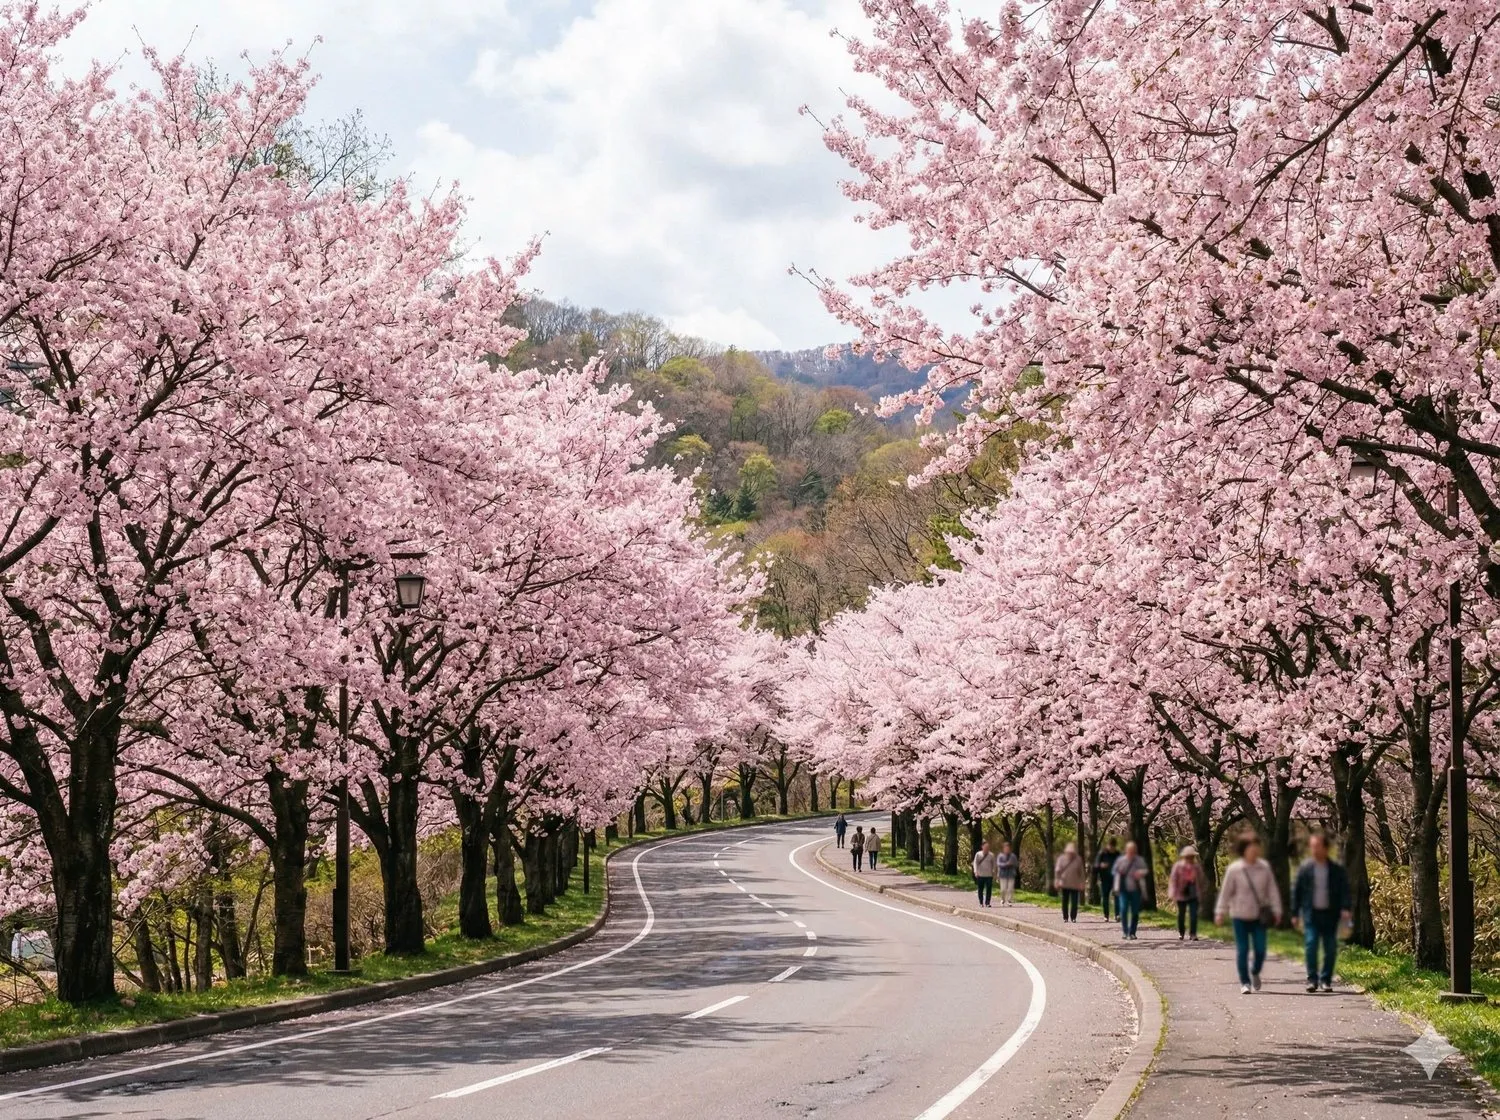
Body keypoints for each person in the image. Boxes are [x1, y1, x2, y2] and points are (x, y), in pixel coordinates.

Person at [1215, 834, 1283, 994]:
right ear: (1244, 850)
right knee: (1243, 949)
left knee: (1260, 949)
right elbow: (1225, 892)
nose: (1254, 850)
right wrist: (1220, 911)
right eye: (1251, 847)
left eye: (1256, 847)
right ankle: (1245, 982)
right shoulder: (1235, 869)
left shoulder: (1264, 868)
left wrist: (1277, 910)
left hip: (1259, 916)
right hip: (1239, 915)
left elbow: (1272, 891)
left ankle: (1255, 971)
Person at [1292, 832, 1351, 994]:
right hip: (1311, 914)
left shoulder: (1336, 870)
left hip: (1330, 914)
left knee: (1330, 947)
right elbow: (1296, 891)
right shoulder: (1306, 869)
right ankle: (1312, 979)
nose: (1314, 850)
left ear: (1325, 848)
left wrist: (1346, 908)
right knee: (1311, 945)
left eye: (1317, 846)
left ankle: (1325, 980)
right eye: (1312, 846)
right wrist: (1295, 913)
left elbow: (1344, 890)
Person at [1113, 841, 1149, 939]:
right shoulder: (1121, 860)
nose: (1131, 853)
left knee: (1135, 912)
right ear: (1126, 851)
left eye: (1133, 851)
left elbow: (1146, 870)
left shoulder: (1139, 860)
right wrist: (1116, 887)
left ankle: (1132, 932)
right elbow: (1115, 872)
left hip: (1136, 890)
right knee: (1123, 910)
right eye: (1130, 851)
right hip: (1123, 889)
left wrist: (1140, 872)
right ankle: (1125, 931)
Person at [1168, 845, 1203, 941]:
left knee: (1193, 914)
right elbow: (1173, 880)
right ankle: (1181, 932)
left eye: (1192, 856)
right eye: (1188, 856)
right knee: (1181, 914)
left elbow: (1201, 880)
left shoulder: (1196, 867)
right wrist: (1172, 893)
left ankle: (1193, 933)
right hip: (1181, 893)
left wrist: (1202, 892)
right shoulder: (1178, 866)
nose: (1190, 858)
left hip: (1193, 893)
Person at [1054, 842, 1086, 922]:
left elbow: (1081, 872)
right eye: (1069, 852)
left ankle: (1073, 917)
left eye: (1072, 852)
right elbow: (1057, 871)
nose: (1070, 854)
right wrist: (1057, 880)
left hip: (1075, 884)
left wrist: (1082, 882)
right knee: (1065, 901)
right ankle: (1065, 917)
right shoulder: (1061, 859)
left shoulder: (1078, 859)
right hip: (1065, 883)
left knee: (1074, 902)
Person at [1094, 837, 1120, 921]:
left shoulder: (1118, 854)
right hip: (1104, 878)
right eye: (1110, 846)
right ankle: (1106, 915)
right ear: (1108, 846)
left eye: (1113, 847)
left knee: (1117, 896)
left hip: (1115, 878)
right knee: (1105, 897)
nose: (1112, 848)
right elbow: (1095, 866)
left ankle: (1117, 915)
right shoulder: (1102, 854)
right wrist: (1101, 865)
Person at [972, 839, 997, 908]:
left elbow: (994, 864)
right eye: (985, 847)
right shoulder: (978, 854)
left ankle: (987, 902)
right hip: (980, 875)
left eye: (988, 847)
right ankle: (981, 902)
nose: (987, 848)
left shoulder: (991, 855)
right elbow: (975, 863)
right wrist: (975, 871)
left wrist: (994, 871)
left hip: (989, 875)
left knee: (989, 889)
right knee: (980, 889)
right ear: (982, 847)